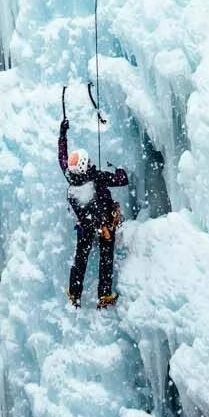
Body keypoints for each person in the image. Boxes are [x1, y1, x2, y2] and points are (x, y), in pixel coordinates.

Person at [59, 109, 130, 307]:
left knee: (81, 259)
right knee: (106, 258)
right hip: (104, 224)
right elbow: (122, 179)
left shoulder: (71, 177)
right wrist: (119, 168)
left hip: (85, 227)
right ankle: (104, 295)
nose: (90, 162)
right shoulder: (97, 178)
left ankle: (75, 293)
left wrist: (62, 134)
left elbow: (62, 158)